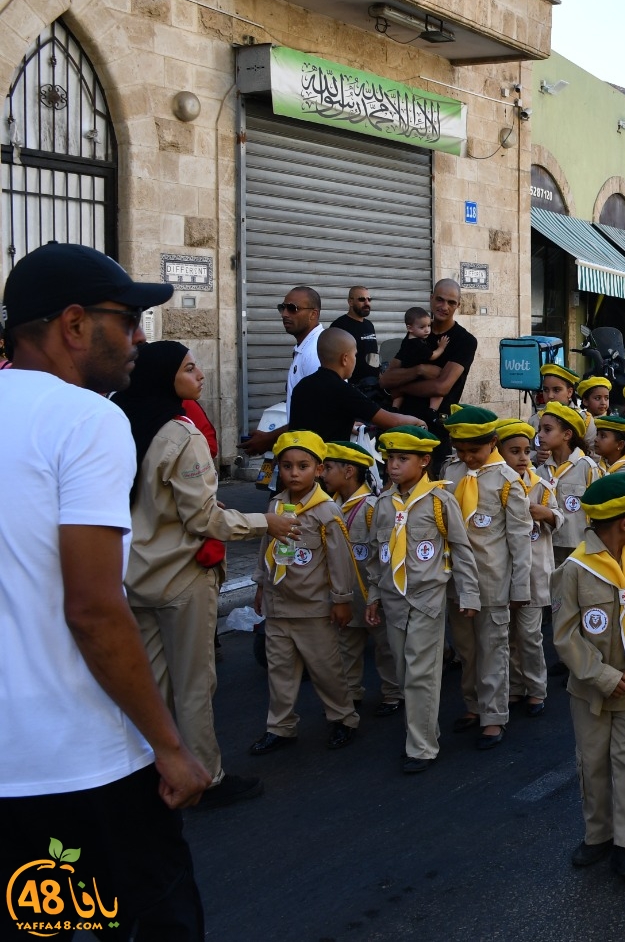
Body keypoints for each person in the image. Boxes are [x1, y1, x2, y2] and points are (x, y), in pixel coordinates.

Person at [1, 243, 213, 939]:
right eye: (126, 320)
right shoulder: (88, 420)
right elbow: (93, 608)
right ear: (72, 324)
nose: (139, 340)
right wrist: (169, 745)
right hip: (83, 766)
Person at [115, 341, 289, 809]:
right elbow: (202, 519)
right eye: (190, 368)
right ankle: (204, 778)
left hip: (133, 573)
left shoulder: (117, 418)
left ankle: (150, 772)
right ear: (165, 377)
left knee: (150, 682)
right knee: (194, 684)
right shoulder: (180, 434)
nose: (201, 374)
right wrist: (263, 523)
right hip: (180, 576)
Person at [551, 472, 625, 879]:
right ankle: (597, 835)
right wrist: (603, 676)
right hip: (590, 690)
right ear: (624, 523)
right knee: (593, 762)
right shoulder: (574, 570)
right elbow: (565, 634)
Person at [366, 425, 478, 773]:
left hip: (427, 598)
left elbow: (461, 549)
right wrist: (373, 596)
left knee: (421, 673)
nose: (393, 466)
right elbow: (377, 555)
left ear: (425, 461)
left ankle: (422, 746)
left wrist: (468, 593)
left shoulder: (439, 501)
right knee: (403, 671)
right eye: (389, 459)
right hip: (393, 600)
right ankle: (422, 730)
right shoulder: (383, 504)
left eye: (403, 459)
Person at [247, 432, 362, 757]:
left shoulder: (326, 512)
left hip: (313, 608)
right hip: (279, 605)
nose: (294, 473)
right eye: (286, 466)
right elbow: (266, 549)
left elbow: (340, 561)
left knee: (326, 670)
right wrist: (260, 584)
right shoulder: (275, 506)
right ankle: (280, 727)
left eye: (302, 466)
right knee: (280, 671)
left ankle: (343, 718)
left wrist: (341, 600)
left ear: (319, 469)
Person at [439, 404, 533, 751]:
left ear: (493, 442)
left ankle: (494, 716)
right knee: (467, 649)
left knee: (493, 647)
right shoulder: (449, 472)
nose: (468, 457)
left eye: (474, 450)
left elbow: (519, 539)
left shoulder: (507, 480)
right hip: (456, 581)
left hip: (492, 578)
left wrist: (520, 585)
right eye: (460, 450)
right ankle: (473, 705)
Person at [324, 441, 403, 718]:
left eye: (328, 467)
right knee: (345, 647)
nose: (322, 473)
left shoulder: (372, 507)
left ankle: (393, 693)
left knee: (385, 647)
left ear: (348, 471)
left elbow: (382, 554)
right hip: (344, 595)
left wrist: (378, 592)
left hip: (372, 594)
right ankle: (351, 694)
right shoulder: (329, 506)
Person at [495, 419, 563, 719]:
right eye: (514, 451)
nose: (523, 458)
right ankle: (515, 686)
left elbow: (559, 519)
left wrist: (545, 513)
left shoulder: (541, 486)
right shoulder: (493, 486)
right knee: (507, 635)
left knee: (530, 635)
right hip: (503, 572)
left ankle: (536, 688)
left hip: (534, 573)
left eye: (526, 450)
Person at [381, 279, 479, 444]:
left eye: (451, 302)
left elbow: (441, 387)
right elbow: (385, 379)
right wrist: (419, 370)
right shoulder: (419, 331)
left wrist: (400, 387)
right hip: (403, 422)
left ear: (458, 305)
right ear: (431, 298)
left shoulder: (465, 341)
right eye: (440, 299)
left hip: (436, 427)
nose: (444, 306)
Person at [289, 327, 424, 443]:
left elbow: (318, 419)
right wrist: (418, 422)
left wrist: (348, 424)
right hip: (329, 466)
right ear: (345, 359)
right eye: (355, 355)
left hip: (302, 463)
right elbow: (391, 421)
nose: (356, 360)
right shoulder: (343, 391)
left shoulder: (302, 386)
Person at [242, 285, 325, 454]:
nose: (285, 314)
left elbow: (318, 414)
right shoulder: (305, 347)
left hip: (312, 453)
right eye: (283, 307)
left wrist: (270, 438)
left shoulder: (315, 352)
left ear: (313, 314)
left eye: (293, 308)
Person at [538, 402, 604, 563]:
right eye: (539, 429)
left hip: (580, 548)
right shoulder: (540, 471)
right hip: (548, 547)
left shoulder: (587, 468)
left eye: (547, 430)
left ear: (567, 435)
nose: (540, 435)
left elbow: (599, 510)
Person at [389, 307, 450, 413]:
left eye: (429, 325)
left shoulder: (407, 340)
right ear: (410, 328)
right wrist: (441, 347)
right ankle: (432, 411)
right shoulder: (417, 344)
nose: (427, 330)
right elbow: (433, 356)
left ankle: (394, 408)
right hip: (417, 377)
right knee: (439, 391)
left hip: (405, 374)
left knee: (398, 395)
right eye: (422, 327)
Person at [329, 286, 381, 399]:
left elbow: (373, 353)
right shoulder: (339, 326)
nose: (367, 303)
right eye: (362, 299)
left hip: (374, 386)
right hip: (354, 388)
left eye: (369, 299)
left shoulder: (369, 325)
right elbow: (335, 362)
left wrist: (379, 374)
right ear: (350, 302)